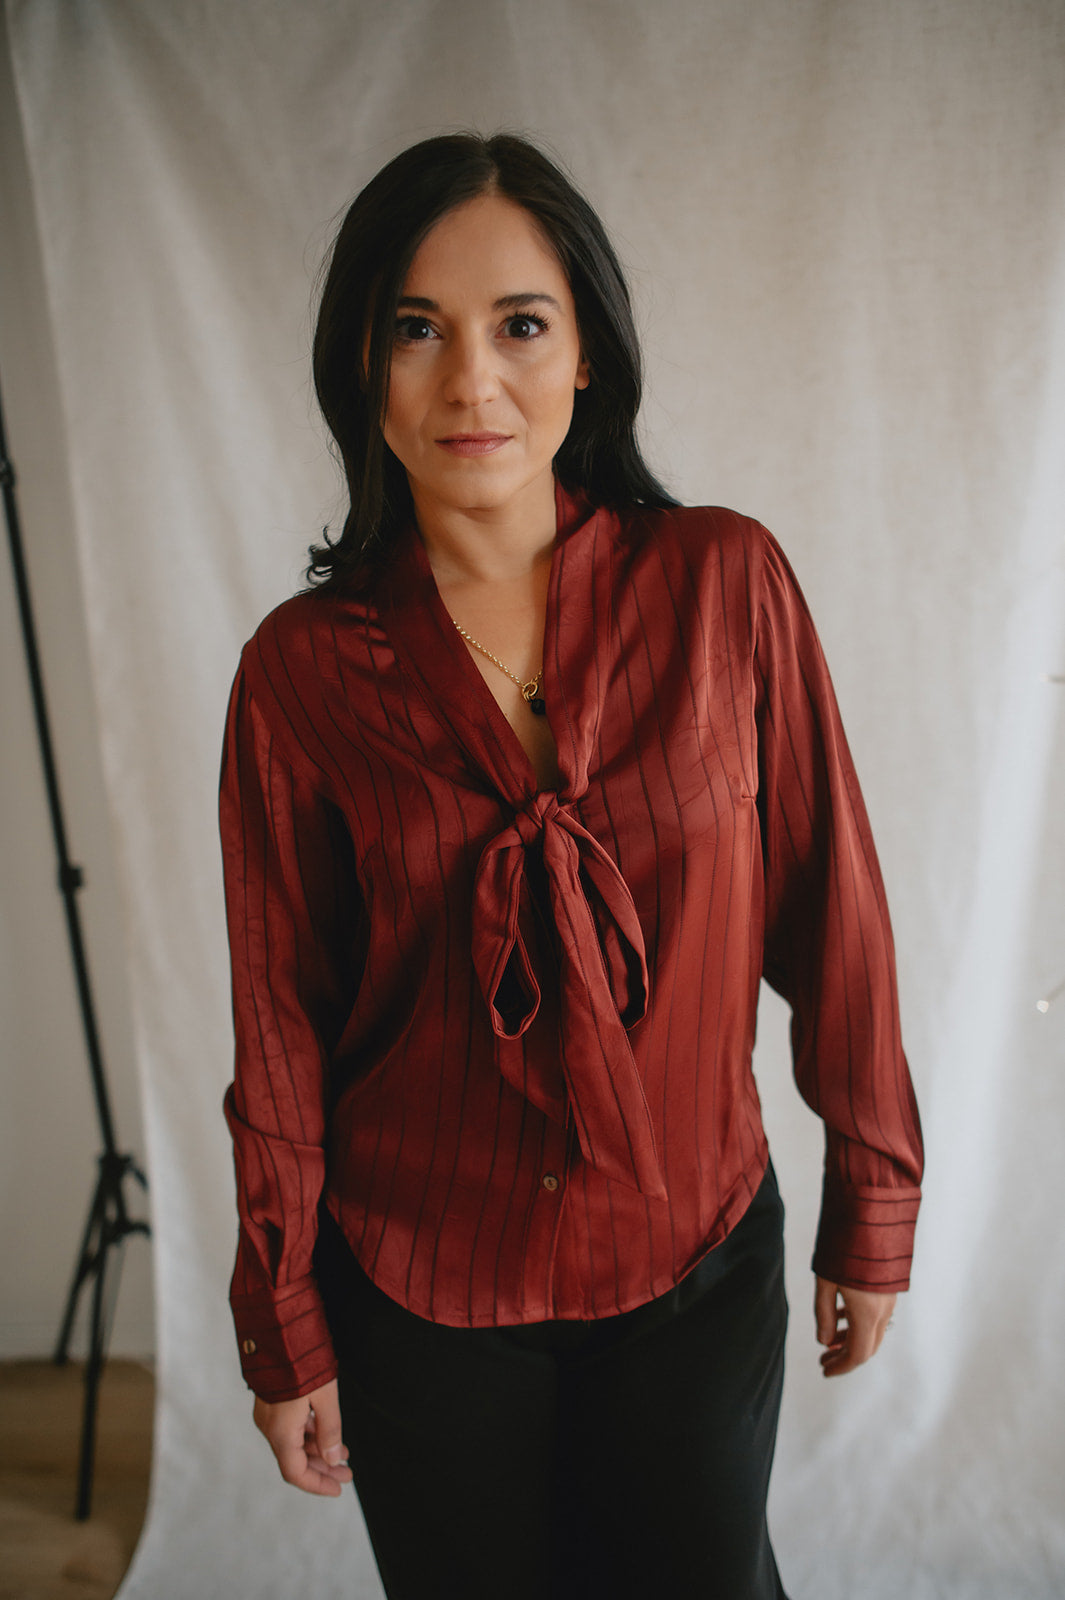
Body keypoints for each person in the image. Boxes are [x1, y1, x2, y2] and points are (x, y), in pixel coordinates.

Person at [220, 131, 923, 1600]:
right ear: (362, 364)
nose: (471, 381)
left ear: (588, 353)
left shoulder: (725, 585)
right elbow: (281, 1020)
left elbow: (832, 912)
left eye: (520, 325)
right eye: (418, 329)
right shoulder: (300, 674)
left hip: (693, 1262)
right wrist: (281, 1316)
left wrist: (873, 1199)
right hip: (419, 1286)